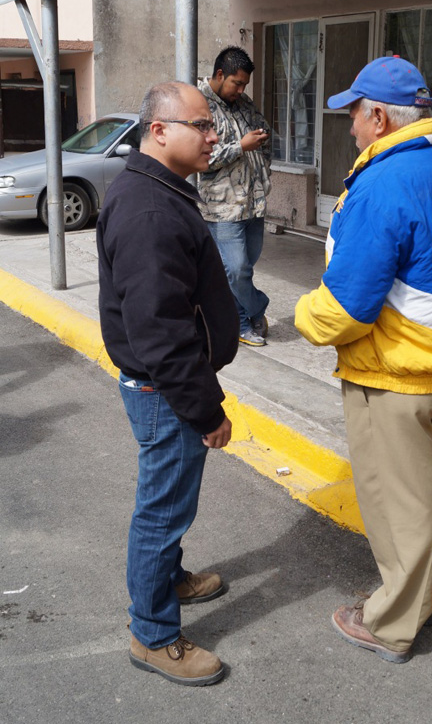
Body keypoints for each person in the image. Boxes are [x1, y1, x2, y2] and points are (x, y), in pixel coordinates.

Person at [295, 56, 432, 664]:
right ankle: (430, 592)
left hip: (392, 374)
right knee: (429, 497)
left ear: (380, 117)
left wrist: (300, 319)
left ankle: (390, 623)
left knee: (395, 506)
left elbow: (349, 306)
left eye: (354, 115)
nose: (351, 127)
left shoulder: (379, 185)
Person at [96, 81, 240, 686]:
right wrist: (208, 412)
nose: (215, 137)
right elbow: (161, 332)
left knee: (169, 505)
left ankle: (170, 579)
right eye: (203, 126)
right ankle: (153, 635)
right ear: (160, 131)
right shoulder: (150, 208)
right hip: (167, 393)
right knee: (161, 512)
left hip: (165, 388)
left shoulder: (157, 189)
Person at [198, 46, 271, 347]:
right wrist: (241, 146)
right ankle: (252, 312)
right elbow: (202, 156)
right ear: (219, 75)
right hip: (222, 207)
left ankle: (243, 318)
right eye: (236, 83)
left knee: (243, 268)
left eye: (244, 85)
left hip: (253, 201)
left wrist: (262, 148)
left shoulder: (242, 102)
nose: (240, 90)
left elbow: (262, 128)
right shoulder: (199, 105)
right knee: (235, 269)